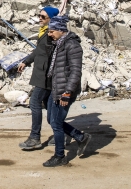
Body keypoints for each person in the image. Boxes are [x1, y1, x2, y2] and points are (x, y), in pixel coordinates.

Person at [43, 15, 92, 167]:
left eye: (51, 31)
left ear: (60, 30)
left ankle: (60, 156)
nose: (49, 34)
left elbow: (75, 72)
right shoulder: (59, 44)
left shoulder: (72, 46)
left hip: (64, 91)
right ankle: (80, 137)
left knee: (56, 124)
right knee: (51, 119)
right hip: (56, 88)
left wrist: (68, 92)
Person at [16, 6, 59, 151]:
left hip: (45, 75)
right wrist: (26, 61)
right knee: (48, 105)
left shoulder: (52, 34)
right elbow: (38, 51)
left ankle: (35, 137)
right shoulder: (44, 33)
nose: (39, 19)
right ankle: (61, 133)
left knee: (35, 102)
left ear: (51, 19)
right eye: (39, 16)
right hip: (41, 73)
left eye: (43, 17)